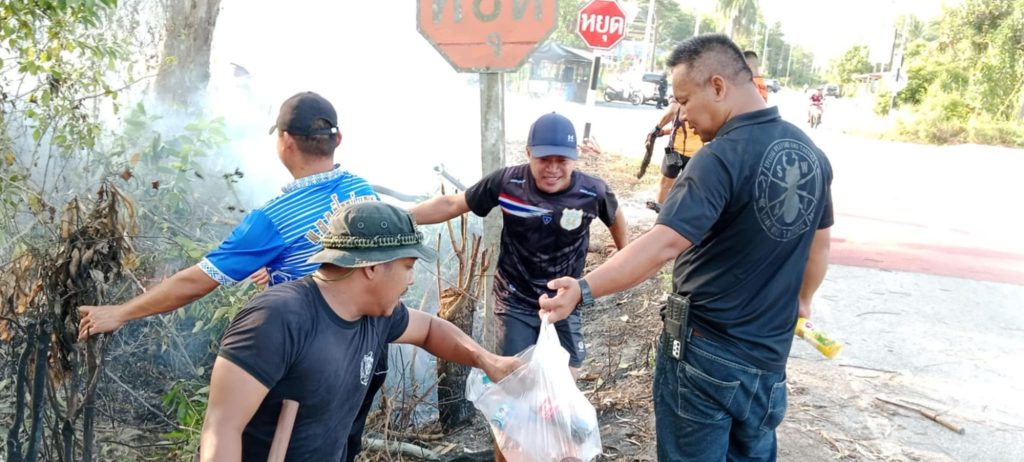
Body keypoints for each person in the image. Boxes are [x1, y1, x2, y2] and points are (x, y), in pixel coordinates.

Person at [539, 34, 833, 461]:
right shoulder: (812, 154)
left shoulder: (718, 158)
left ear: (718, 86)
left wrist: (583, 289)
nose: (682, 116)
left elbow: (663, 244)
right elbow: (820, 244)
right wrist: (803, 300)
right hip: (769, 361)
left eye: (684, 100)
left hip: (707, 353)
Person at [77, 91, 386, 460]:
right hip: (367, 352)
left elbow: (199, 280)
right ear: (338, 139)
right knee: (337, 447)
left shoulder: (274, 217)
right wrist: (278, 273)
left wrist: (120, 312)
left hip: (310, 359)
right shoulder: (361, 191)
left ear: (285, 141)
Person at [199, 201, 521, 461]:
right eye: (408, 267)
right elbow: (222, 428)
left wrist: (485, 359)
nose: (411, 280)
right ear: (371, 267)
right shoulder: (278, 318)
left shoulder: (376, 315)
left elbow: (429, 329)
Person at [410, 112, 628, 376]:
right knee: (515, 376)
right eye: (544, 159)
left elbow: (614, 216)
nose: (553, 168)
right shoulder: (508, 183)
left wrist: (623, 250)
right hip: (514, 298)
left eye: (561, 160)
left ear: (575, 157)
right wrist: (404, 217)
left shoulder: (592, 191)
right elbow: (452, 204)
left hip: (565, 297)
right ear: (528, 153)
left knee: (568, 374)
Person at [644, 100, 705, 212]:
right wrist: (663, 132)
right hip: (693, 154)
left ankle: (661, 213)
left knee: (666, 185)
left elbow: (672, 110)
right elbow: (681, 127)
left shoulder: (679, 100)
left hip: (676, 152)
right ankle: (677, 213)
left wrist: (657, 128)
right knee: (689, 187)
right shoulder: (703, 103)